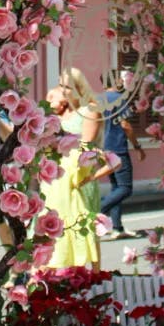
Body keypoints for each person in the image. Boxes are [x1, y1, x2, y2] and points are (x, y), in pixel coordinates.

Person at [39, 81, 116, 269]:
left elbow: (91, 148)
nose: (47, 100)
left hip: (77, 178)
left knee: (86, 229)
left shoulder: (86, 112)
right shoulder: (51, 121)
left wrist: (90, 176)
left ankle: (95, 275)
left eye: (52, 96)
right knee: (57, 232)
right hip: (57, 184)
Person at [100, 70, 146, 240]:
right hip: (118, 148)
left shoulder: (98, 100)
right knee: (125, 188)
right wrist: (138, 146)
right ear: (115, 81)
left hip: (103, 150)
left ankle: (117, 228)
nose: (121, 81)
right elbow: (126, 125)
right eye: (119, 78)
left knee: (116, 187)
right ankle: (97, 211)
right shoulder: (119, 100)